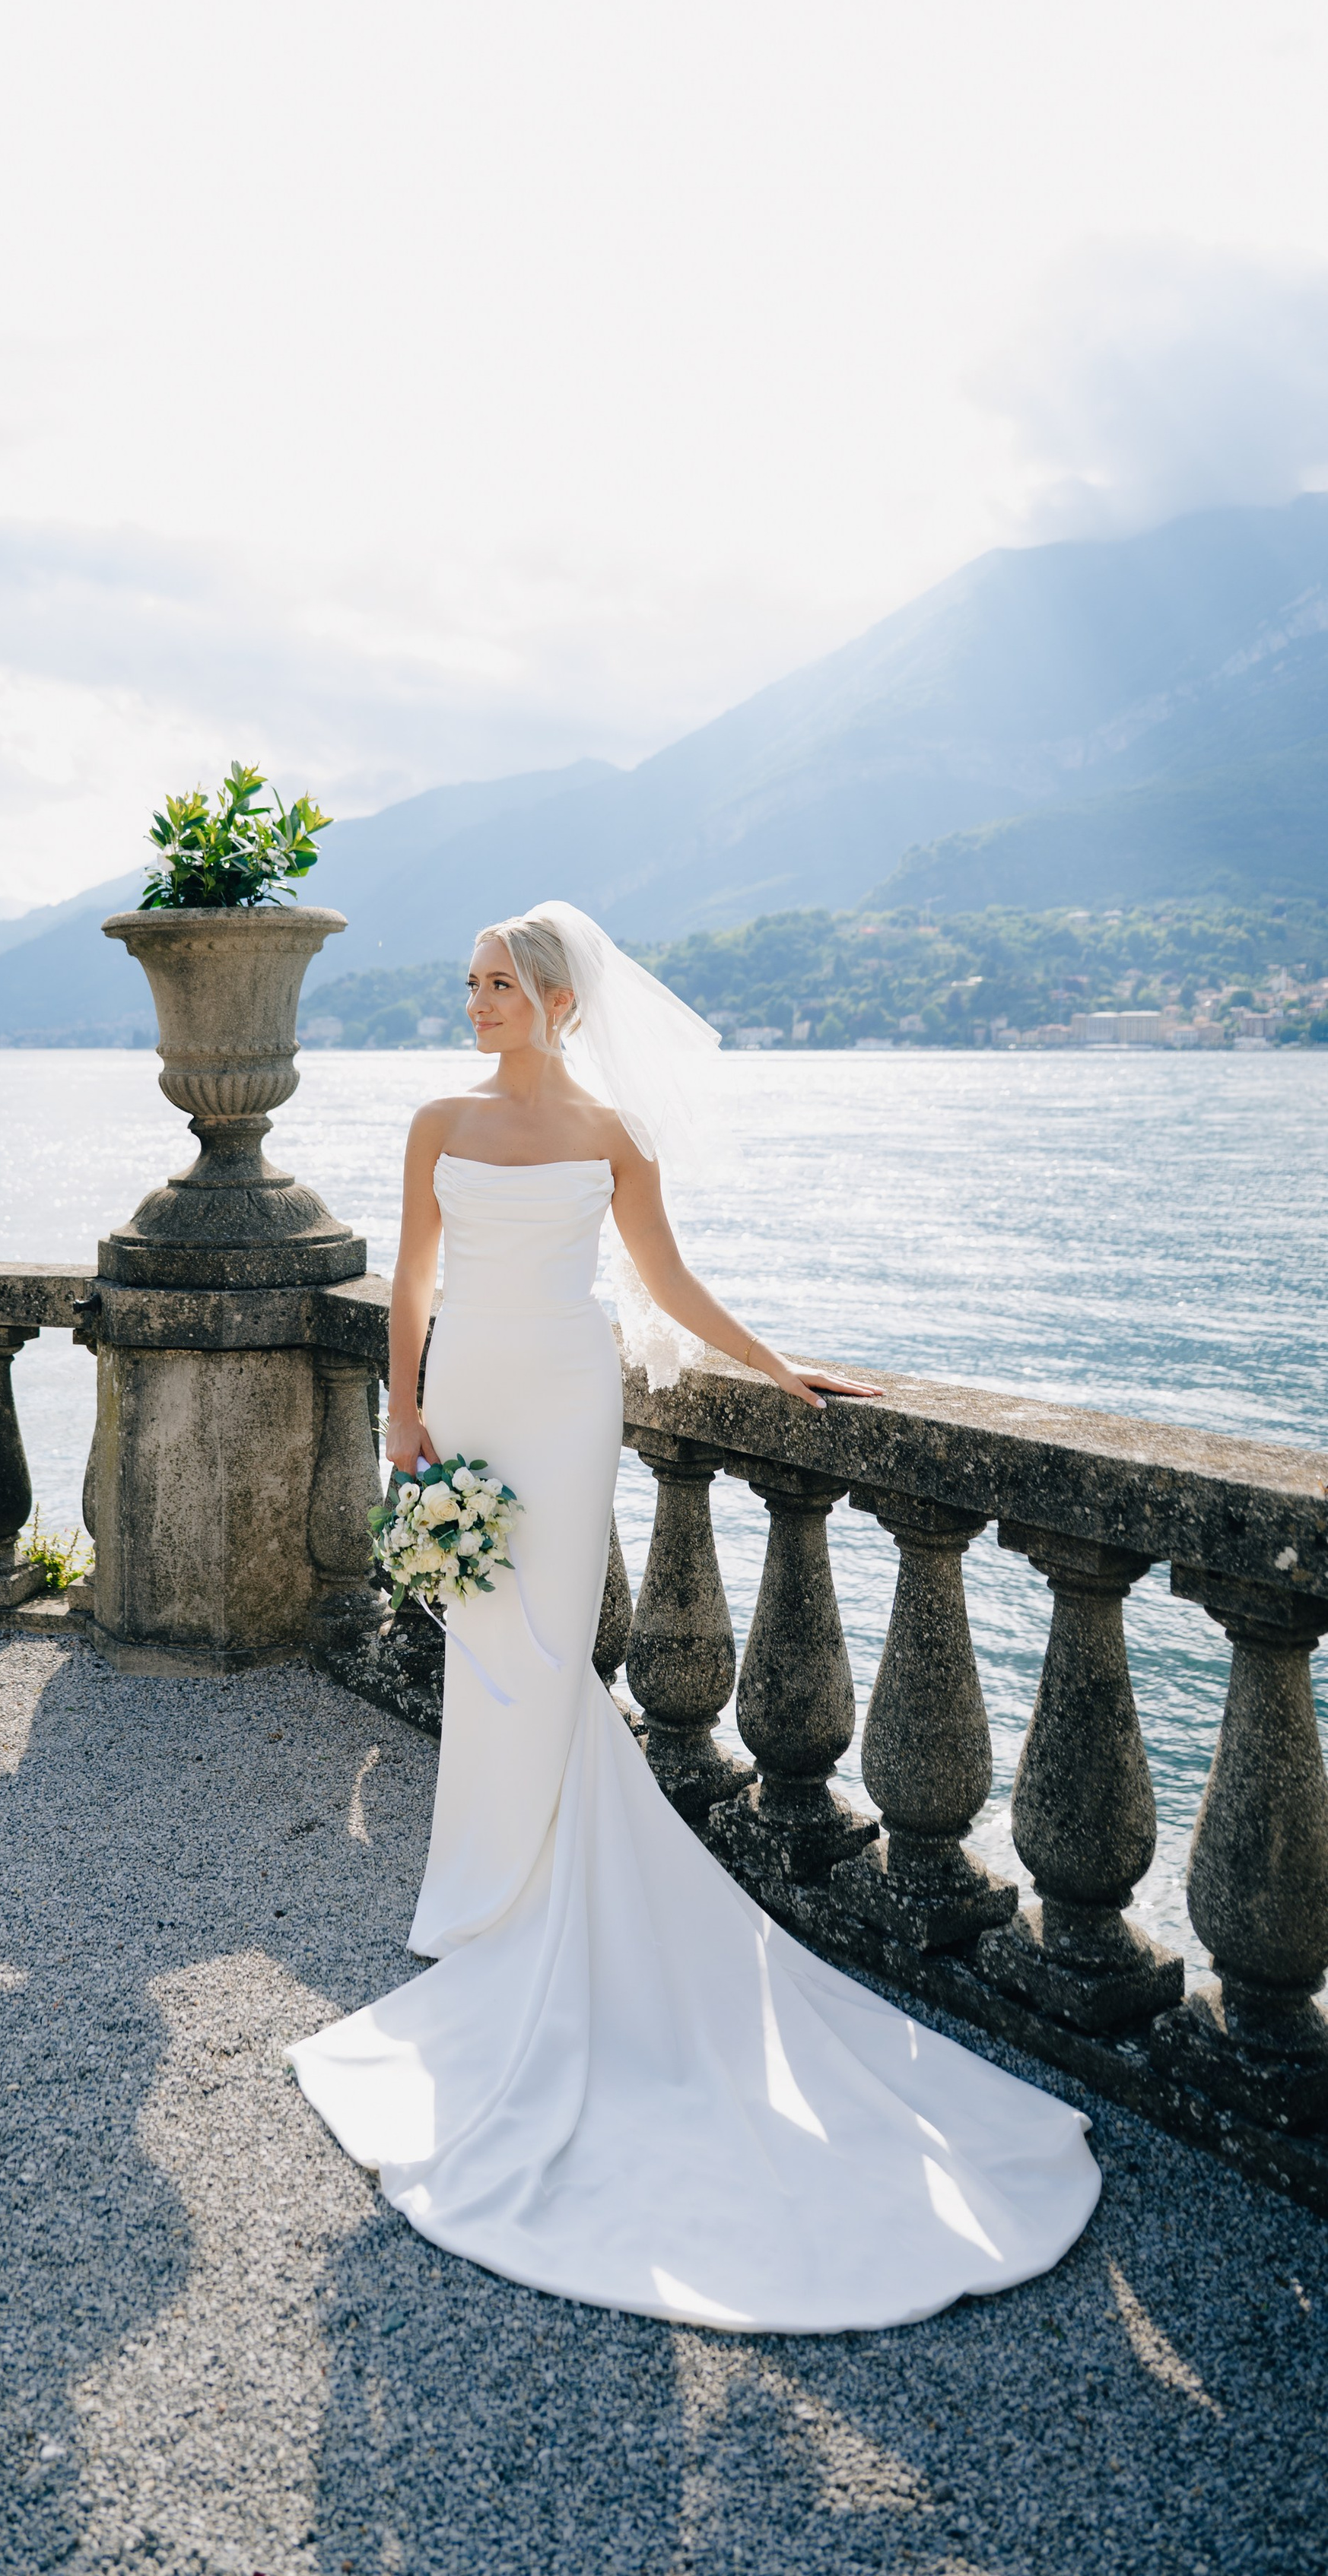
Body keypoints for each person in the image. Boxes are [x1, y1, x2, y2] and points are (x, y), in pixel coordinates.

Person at [288, 903, 1100, 2333]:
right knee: (487, 1652)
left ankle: (534, 1905)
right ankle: (481, 1893)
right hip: (469, 1380)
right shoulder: (434, 1121)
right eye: (469, 982)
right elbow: (411, 1277)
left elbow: (660, 1281)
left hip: (565, 1387)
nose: (474, 1003)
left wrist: (782, 1368)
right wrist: (403, 1406)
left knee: (547, 1656)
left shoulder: (614, 1135)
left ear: (557, 1002)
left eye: (497, 985)